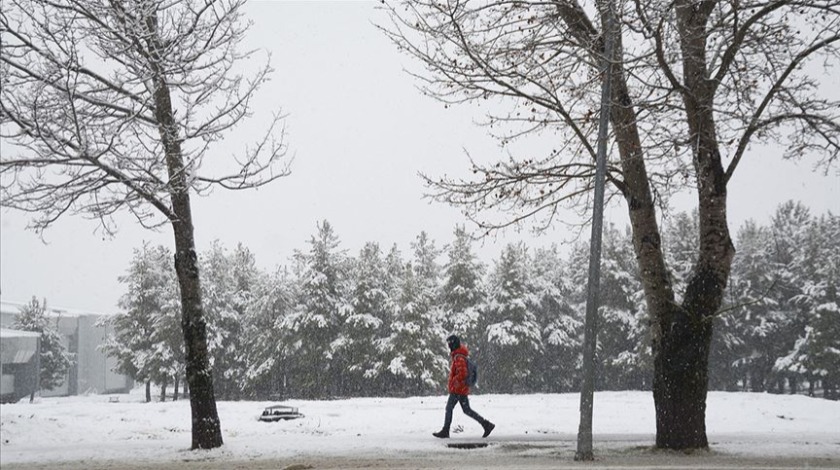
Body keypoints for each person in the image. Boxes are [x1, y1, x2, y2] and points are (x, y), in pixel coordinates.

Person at [432, 334, 495, 439]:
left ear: (453, 344)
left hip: (458, 389)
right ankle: (486, 424)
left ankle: (445, 431)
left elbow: (463, 373)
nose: (448, 346)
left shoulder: (459, 357)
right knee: (467, 410)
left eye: (449, 344)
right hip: (461, 389)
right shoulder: (459, 356)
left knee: (449, 408)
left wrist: (454, 381)